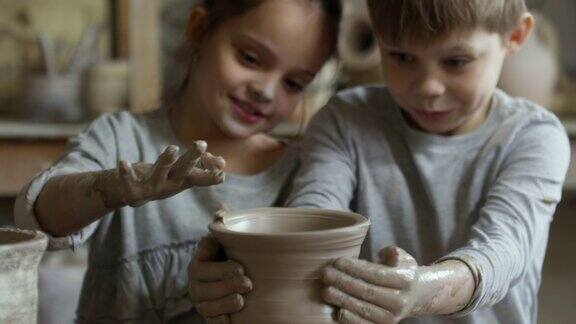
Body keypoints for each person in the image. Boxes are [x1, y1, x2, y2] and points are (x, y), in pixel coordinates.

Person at [190, 0, 571, 323]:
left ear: (515, 36)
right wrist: (243, 263)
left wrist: (423, 292)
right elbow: (314, 216)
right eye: (401, 56)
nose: (427, 86)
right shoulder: (346, 120)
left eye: (456, 62)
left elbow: (504, 252)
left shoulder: (533, 136)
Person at [13, 0, 342, 322]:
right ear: (199, 29)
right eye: (251, 58)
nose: (267, 91)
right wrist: (112, 188)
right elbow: (38, 215)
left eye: (293, 83)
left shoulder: (306, 177)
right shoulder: (121, 137)